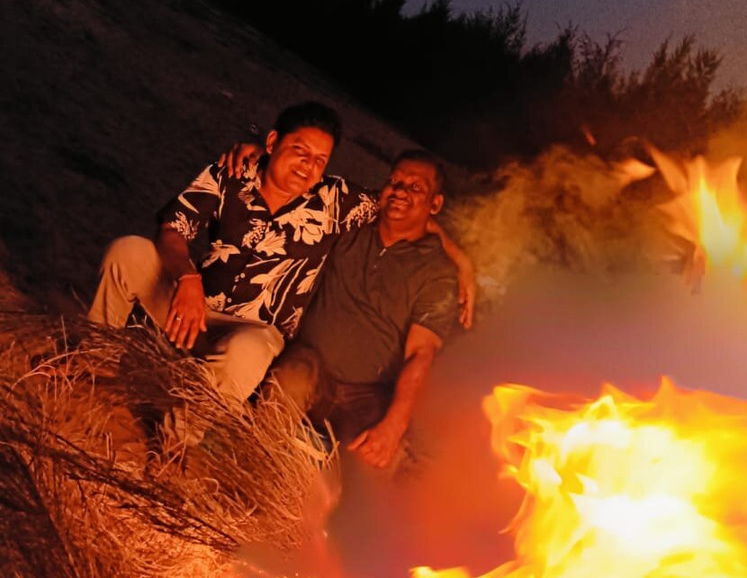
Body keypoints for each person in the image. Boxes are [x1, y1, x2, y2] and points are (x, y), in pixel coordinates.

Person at [88, 102, 473, 410]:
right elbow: (174, 229)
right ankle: (93, 365)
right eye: (299, 151)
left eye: (320, 159)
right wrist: (187, 277)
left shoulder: (336, 201)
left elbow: (404, 207)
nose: (308, 166)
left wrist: (462, 262)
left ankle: (181, 440)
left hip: (252, 334)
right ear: (272, 142)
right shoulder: (232, 173)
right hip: (191, 306)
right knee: (129, 251)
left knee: (250, 350)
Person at [269, 149, 460, 469]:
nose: (400, 191)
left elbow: (421, 353)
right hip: (310, 365)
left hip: (367, 395)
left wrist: (394, 424)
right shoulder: (351, 225)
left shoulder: (438, 274)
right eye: (395, 181)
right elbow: (293, 185)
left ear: (435, 204)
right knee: (287, 382)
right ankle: (252, 465)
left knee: (382, 463)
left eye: (416, 187)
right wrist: (257, 156)